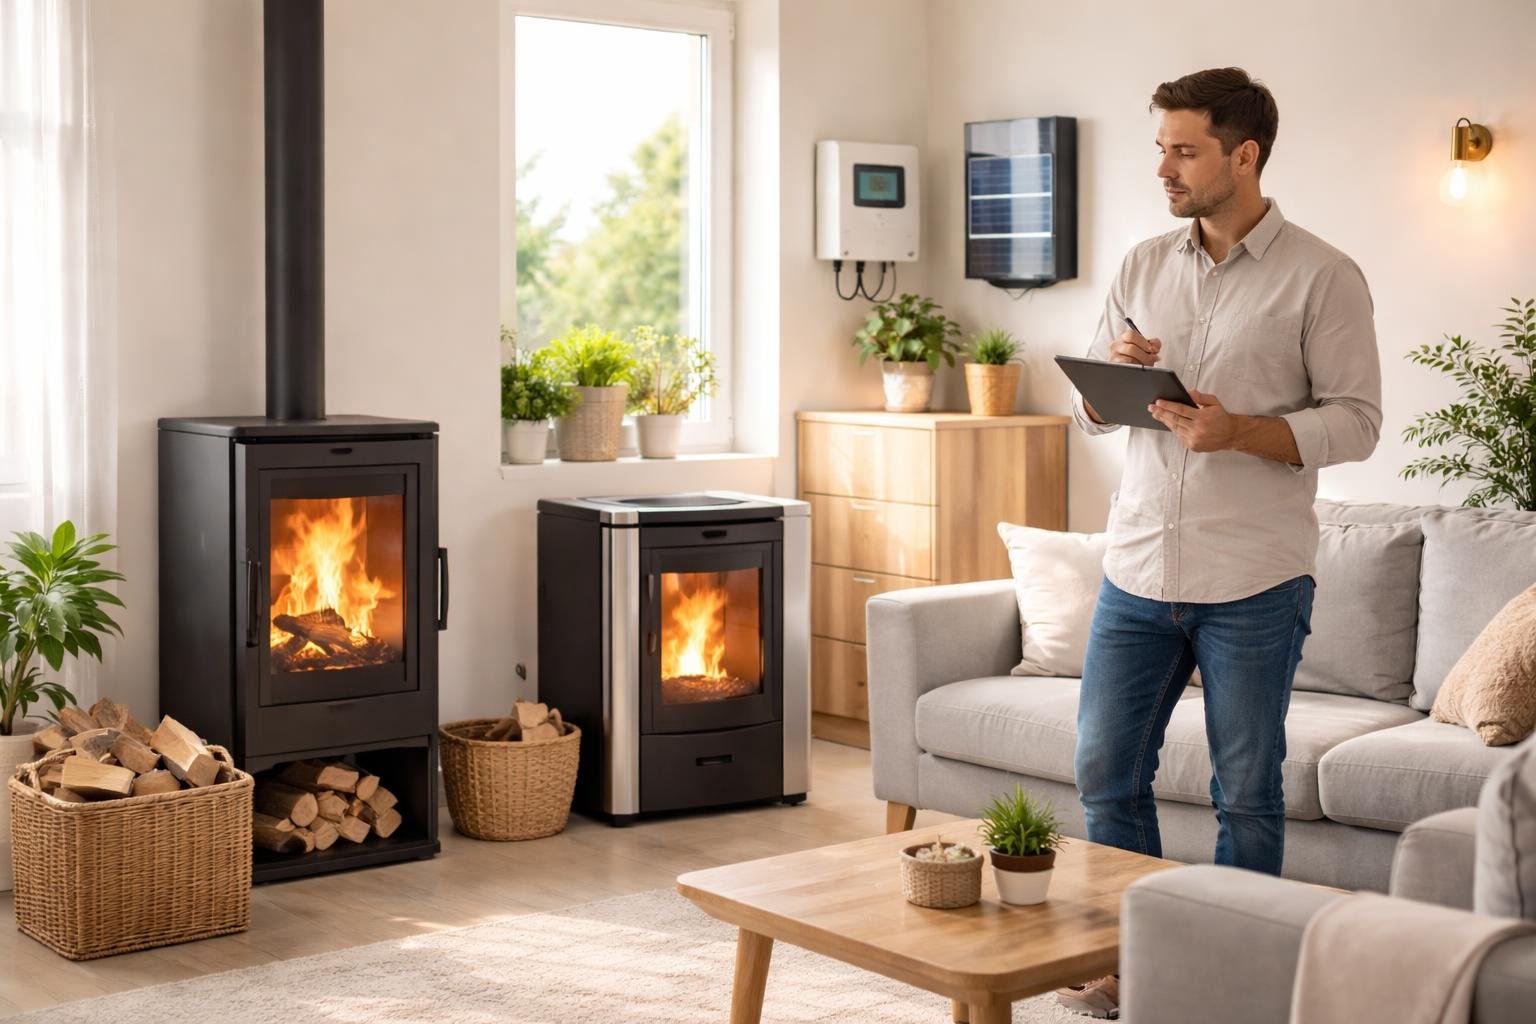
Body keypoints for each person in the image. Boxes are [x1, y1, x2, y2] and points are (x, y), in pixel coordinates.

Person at [1056, 67, 1382, 1020]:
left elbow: (1358, 423)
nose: (1163, 166)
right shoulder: (1142, 264)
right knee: (1105, 774)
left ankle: (1233, 986)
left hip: (1255, 577)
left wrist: (1237, 429)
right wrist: (1103, 387)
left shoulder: (1324, 275)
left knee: (1246, 792)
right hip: (1138, 565)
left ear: (1244, 155)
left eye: (1184, 148)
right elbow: (1092, 415)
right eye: (1159, 147)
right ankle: (1137, 962)